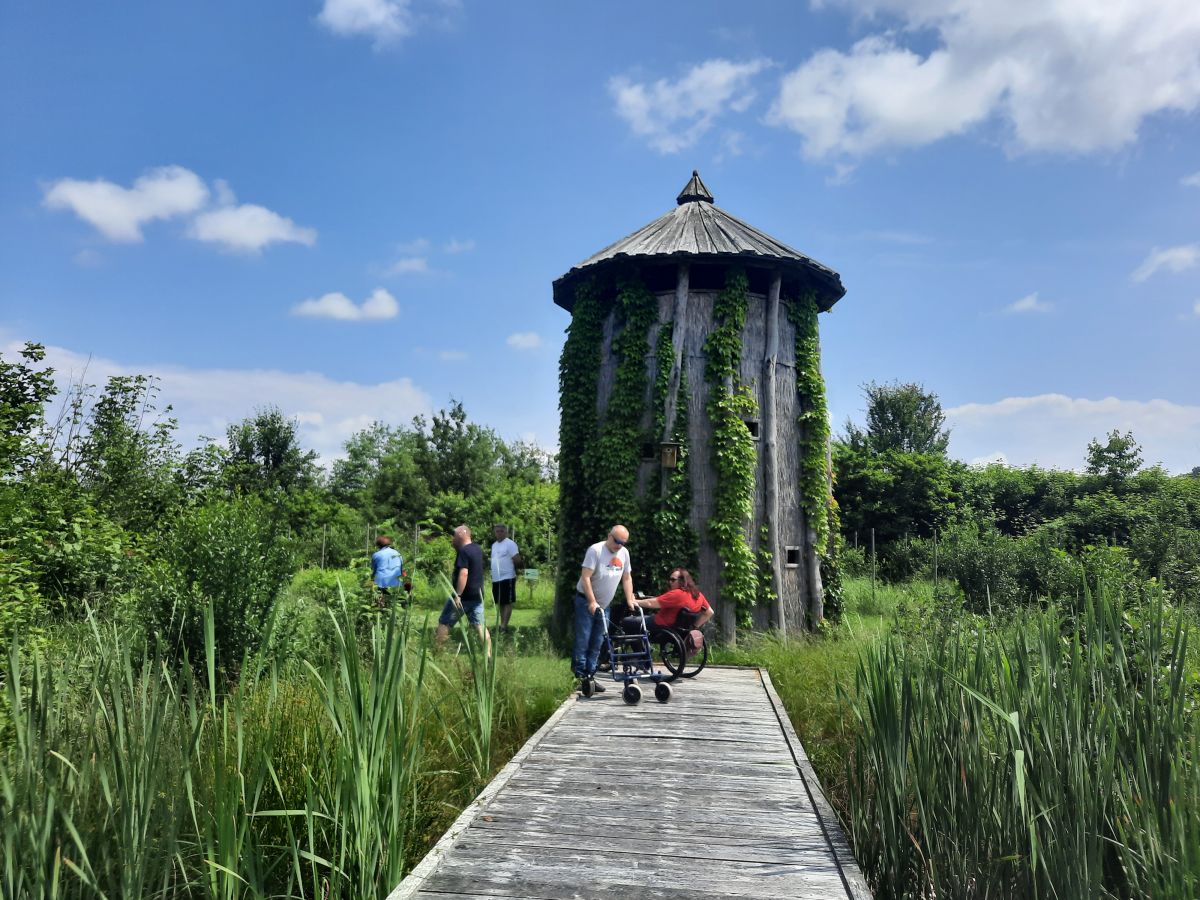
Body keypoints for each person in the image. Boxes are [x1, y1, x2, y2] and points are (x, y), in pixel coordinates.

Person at [573, 525, 635, 692]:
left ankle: (590, 676)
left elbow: (627, 578)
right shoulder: (595, 550)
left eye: (623, 543)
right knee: (583, 639)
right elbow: (585, 577)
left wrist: (630, 599)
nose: (619, 545)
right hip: (586, 601)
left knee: (598, 642)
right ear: (609, 536)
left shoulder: (624, 553)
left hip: (604, 605)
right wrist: (592, 601)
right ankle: (579, 676)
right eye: (617, 541)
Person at [435, 525, 491, 656]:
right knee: (480, 625)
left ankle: (437, 653)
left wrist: (458, 595)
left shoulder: (464, 551)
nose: (452, 539)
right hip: (477, 596)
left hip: (463, 597)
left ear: (460, 535)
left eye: (454, 536)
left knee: (444, 622)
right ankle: (488, 655)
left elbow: (464, 573)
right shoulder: (477, 549)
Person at [631, 568, 714, 637]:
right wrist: (694, 627)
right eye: (669, 580)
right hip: (681, 631)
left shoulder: (677, 593)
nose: (670, 582)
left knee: (628, 622)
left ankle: (639, 651)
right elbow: (710, 612)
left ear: (682, 581)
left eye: (673, 580)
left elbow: (651, 603)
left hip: (662, 625)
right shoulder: (698, 595)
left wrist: (633, 601)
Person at [489, 524, 521, 631]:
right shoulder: (494, 545)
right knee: (500, 602)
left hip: (507, 577)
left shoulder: (510, 544)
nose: (499, 533)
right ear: (495, 533)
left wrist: (518, 570)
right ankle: (502, 625)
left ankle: (504, 626)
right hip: (496, 578)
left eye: (501, 531)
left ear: (506, 532)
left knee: (507, 602)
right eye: (497, 531)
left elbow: (517, 559)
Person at [370, 535, 404, 608]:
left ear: (378, 545)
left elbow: (374, 571)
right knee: (393, 604)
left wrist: (370, 581)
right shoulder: (398, 553)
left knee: (380, 602)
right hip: (396, 583)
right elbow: (401, 569)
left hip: (381, 583)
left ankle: (380, 608)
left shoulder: (376, 555)